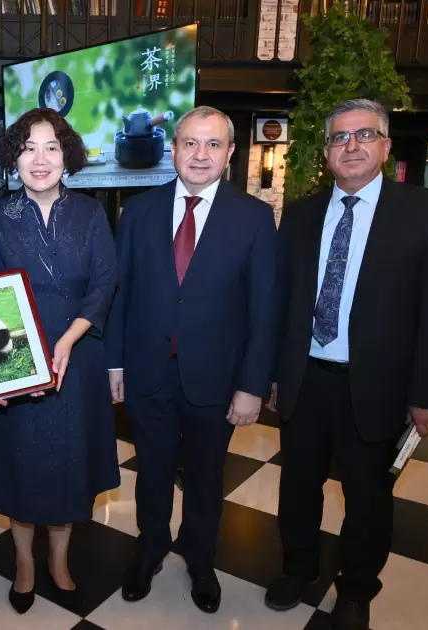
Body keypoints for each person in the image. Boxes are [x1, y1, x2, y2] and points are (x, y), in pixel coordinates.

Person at [265, 99, 428, 630]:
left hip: (379, 387)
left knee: (368, 498)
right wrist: (277, 375)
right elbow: (285, 304)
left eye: (364, 135)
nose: (351, 146)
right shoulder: (301, 215)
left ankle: (355, 589)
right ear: (326, 151)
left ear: (386, 145)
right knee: (298, 487)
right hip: (306, 380)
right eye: (339, 137)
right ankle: (298, 569)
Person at [105, 106, 279, 614]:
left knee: (206, 476)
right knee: (152, 471)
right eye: (190, 143)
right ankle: (150, 549)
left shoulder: (254, 218)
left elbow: (265, 309)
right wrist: (115, 364)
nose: (200, 155)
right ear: (174, 148)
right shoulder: (138, 212)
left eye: (213, 144)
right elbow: (119, 295)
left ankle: (201, 560)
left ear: (230, 153)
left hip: (217, 380)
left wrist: (252, 385)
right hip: (148, 373)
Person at [0, 108, 119, 614]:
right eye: (28, 147)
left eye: (51, 147)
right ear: (14, 157)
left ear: (66, 155)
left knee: (69, 468)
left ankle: (58, 559)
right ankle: (24, 563)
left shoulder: (91, 213)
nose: (40, 158)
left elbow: (104, 283)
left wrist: (70, 339)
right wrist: (21, 361)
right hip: (16, 356)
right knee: (21, 467)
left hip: (78, 357)